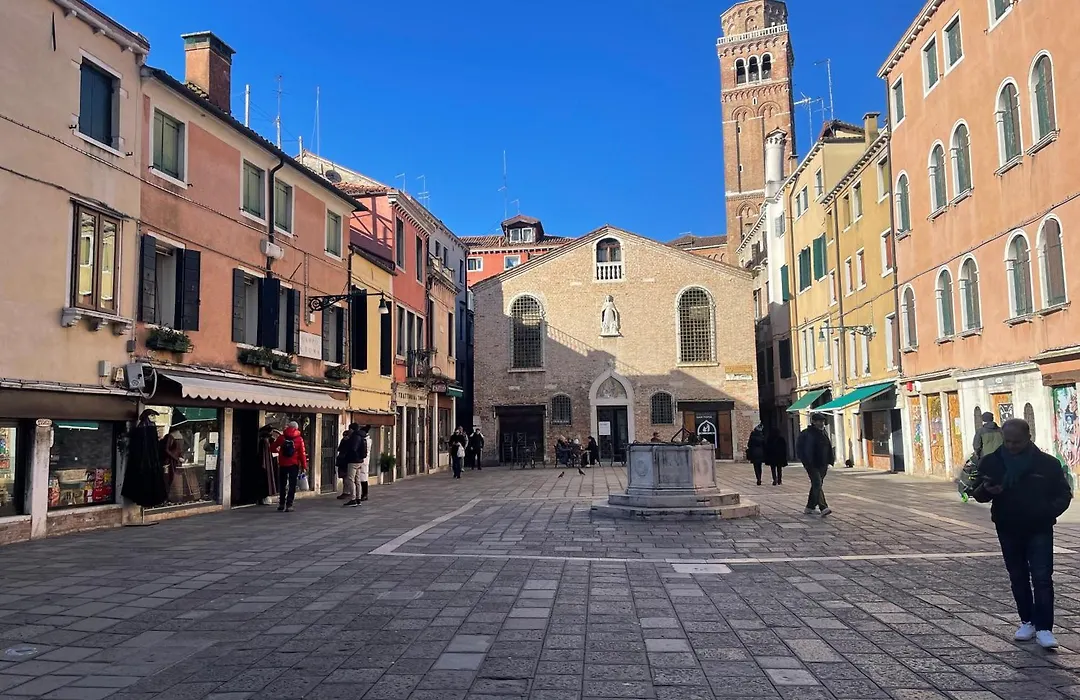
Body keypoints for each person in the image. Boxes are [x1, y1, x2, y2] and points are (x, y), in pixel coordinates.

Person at [972, 418, 1072, 649]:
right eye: (1007, 441)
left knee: (1042, 577)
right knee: (1017, 575)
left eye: (1016, 442)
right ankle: (1027, 621)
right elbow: (977, 492)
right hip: (1008, 526)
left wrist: (1048, 511)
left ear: (1028, 438)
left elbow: (1063, 493)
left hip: (1039, 526)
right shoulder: (992, 461)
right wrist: (987, 490)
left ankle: (1044, 627)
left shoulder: (1046, 464)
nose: (1011, 446)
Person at [796, 413, 834, 516]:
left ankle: (810, 507)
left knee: (817, 485)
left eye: (823, 421)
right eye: (819, 421)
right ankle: (823, 507)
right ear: (813, 422)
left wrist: (830, 459)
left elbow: (828, 446)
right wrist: (806, 461)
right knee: (817, 483)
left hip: (823, 463)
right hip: (812, 464)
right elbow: (800, 448)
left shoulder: (823, 433)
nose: (822, 423)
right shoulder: (806, 433)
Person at [272, 421, 307, 512]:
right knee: (292, 485)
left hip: (283, 463)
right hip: (293, 464)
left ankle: (281, 503)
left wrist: (279, 451)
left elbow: (272, 447)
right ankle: (289, 505)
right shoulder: (299, 439)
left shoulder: (281, 437)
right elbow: (302, 453)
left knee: (282, 484)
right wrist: (304, 466)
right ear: (296, 428)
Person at [342, 423, 370, 507]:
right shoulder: (362, 436)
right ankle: (358, 499)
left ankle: (353, 499)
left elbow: (353, 449)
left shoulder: (354, 437)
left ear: (351, 429)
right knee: (357, 480)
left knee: (350, 479)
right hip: (360, 461)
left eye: (349, 429)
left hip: (353, 461)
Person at [335, 427, 352, 500]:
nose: (345, 437)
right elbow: (339, 449)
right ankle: (346, 492)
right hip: (342, 462)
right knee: (344, 477)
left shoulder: (350, 442)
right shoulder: (343, 441)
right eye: (344, 435)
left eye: (346, 435)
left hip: (346, 462)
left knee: (347, 477)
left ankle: (347, 492)